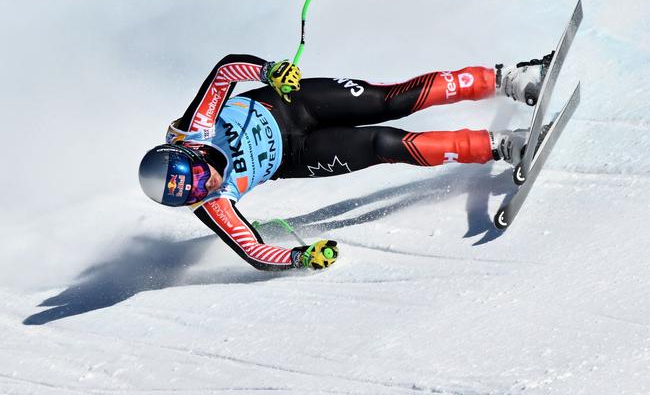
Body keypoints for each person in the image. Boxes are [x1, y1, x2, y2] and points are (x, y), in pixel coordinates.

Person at [139, 52, 552, 271]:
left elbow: (225, 72)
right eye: (191, 195)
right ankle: (500, 147)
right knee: (385, 144)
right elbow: (254, 252)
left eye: (197, 176)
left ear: (188, 154)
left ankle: (507, 79)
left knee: (391, 101)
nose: (206, 186)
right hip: (297, 155)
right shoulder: (211, 205)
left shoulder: (195, 128)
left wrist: (269, 71)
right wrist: (300, 258)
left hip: (292, 104)